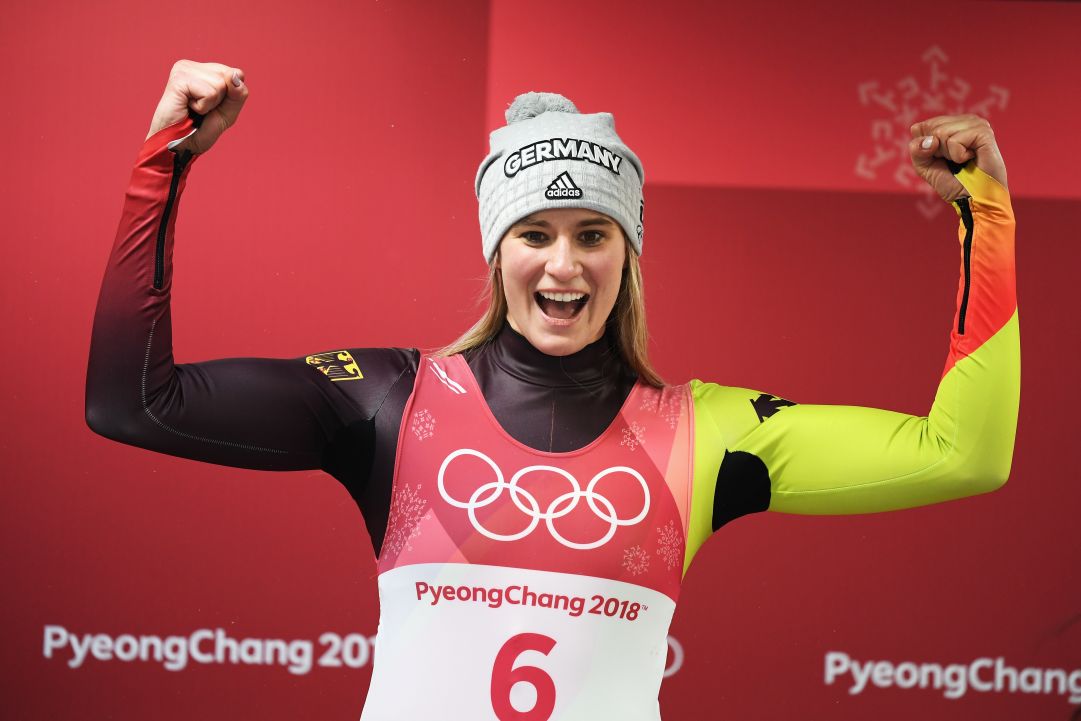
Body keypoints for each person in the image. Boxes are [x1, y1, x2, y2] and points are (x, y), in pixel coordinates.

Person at [85, 60, 1019, 721]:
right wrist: (165, 155)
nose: (563, 264)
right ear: (498, 249)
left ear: (629, 251)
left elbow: (962, 452)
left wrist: (987, 215)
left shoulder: (708, 429)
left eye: (592, 232)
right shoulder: (390, 399)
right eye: (534, 232)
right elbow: (133, 402)